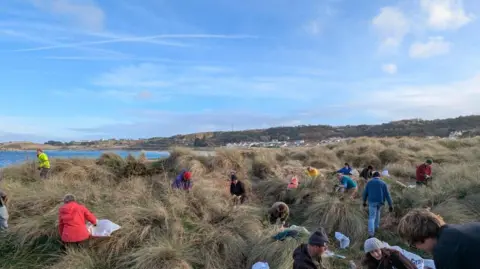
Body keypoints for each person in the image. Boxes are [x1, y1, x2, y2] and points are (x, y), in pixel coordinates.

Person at [398, 208, 480, 269]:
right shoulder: (453, 232)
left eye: (413, 245)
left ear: (419, 238)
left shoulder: (443, 251)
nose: (418, 248)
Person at [362, 171, 393, 237]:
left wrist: (364, 202)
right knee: (378, 213)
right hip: (380, 202)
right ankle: (376, 228)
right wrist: (390, 205)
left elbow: (365, 193)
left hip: (372, 202)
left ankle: (371, 234)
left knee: (371, 217)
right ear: (379, 176)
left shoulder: (369, 183)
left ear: (373, 176)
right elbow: (387, 195)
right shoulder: (383, 183)